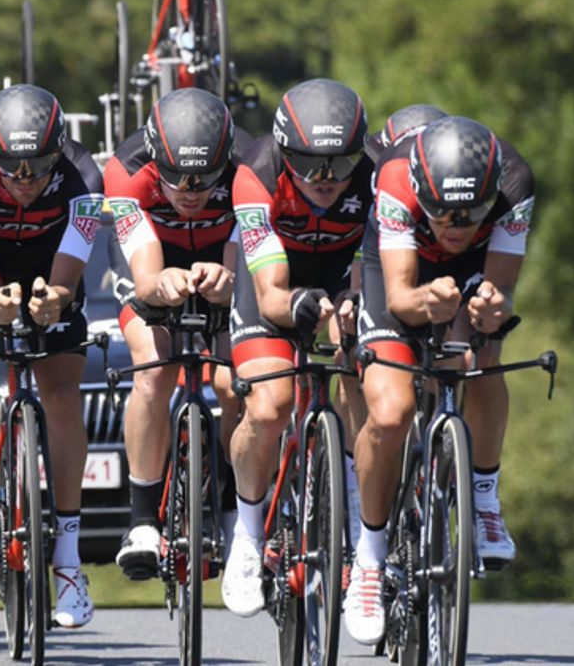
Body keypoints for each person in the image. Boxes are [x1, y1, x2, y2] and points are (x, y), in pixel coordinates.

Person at [344, 116, 536, 644]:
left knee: (484, 356)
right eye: (444, 212)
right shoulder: (395, 178)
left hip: (471, 269)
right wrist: (427, 302)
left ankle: (485, 500)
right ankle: (369, 558)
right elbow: (403, 296)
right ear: (422, 192)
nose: (456, 224)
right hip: (399, 270)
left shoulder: (515, 182)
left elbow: (500, 291)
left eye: (471, 213)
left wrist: (492, 308)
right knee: (391, 411)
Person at [0, 84, 103, 628]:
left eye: (38, 168)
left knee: (61, 391)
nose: (25, 179)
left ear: (58, 151)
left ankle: (67, 560)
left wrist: (50, 301)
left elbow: (67, 279)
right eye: (11, 167)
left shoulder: (85, 178)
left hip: (48, 266)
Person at [220, 78, 374, 616]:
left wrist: (352, 307)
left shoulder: (375, 179)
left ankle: (358, 516)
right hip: (276, 287)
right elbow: (270, 295)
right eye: (310, 164)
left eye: (341, 162)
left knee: (364, 373)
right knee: (269, 406)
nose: (327, 179)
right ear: (285, 153)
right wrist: (307, 305)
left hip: (343, 278)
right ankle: (245, 530)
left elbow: (369, 270)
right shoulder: (255, 176)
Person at [103, 88, 245, 579]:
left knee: (235, 380)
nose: (190, 189)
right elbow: (144, 273)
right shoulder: (126, 169)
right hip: (152, 259)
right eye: (176, 177)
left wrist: (227, 283)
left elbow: (239, 254)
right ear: (154, 158)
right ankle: (142, 521)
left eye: (205, 178)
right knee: (153, 369)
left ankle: (234, 511)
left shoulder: (250, 166)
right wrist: (157, 286)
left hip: (222, 256)